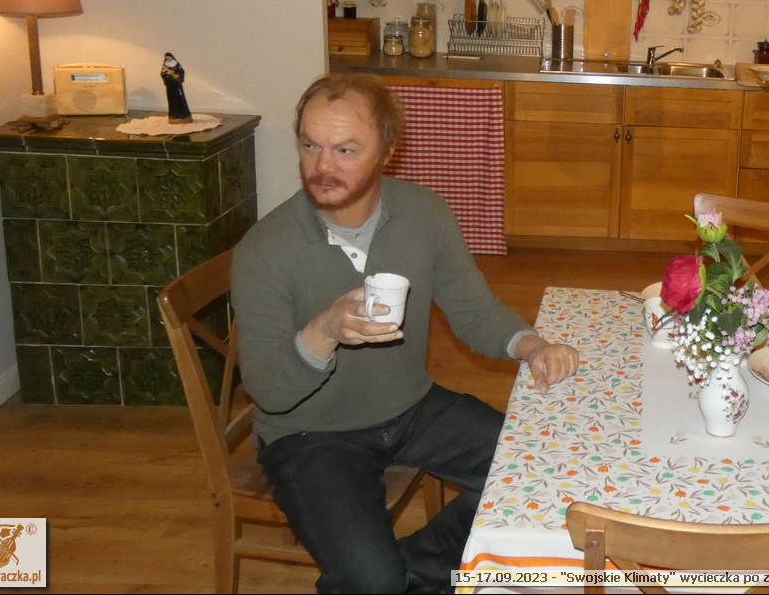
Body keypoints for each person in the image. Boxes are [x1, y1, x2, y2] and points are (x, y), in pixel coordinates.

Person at [231, 73, 579, 593]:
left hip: (411, 406)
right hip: (310, 436)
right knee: (371, 578)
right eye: (310, 145)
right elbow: (269, 391)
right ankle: (389, 578)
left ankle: (412, 572)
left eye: (345, 149)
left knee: (547, 473)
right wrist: (325, 329)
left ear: (388, 152)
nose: (323, 166)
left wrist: (532, 345)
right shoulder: (264, 249)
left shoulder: (424, 214)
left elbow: (474, 312)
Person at [161, 52, 192, 123]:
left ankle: (183, 115)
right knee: (172, 100)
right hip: (170, 85)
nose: (168, 59)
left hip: (176, 85)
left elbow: (181, 72)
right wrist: (166, 74)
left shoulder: (176, 64)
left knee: (180, 99)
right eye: (166, 58)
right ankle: (174, 115)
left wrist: (174, 74)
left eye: (169, 58)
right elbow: (162, 74)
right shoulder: (165, 65)